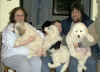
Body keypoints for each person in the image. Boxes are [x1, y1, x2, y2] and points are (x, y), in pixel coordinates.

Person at [1, 7, 43, 72]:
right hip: (11, 55)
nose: (20, 17)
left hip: (29, 54)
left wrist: (40, 48)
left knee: (37, 61)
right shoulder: (9, 28)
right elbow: (11, 44)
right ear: (13, 17)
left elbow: (39, 34)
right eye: (17, 15)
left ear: (24, 16)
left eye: (22, 15)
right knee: (24, 64)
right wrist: (28, 41)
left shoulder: (27, 25)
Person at [61, 2, 99, 72]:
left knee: (91, 62)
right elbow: (62, 37)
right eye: (72, 12)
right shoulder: (66, 23)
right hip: (73, 52)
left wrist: (79, 44)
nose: (74, 14)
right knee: (73, 62)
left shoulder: (89, 23)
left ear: (81, 13)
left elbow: (94, 39)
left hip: (89, 50)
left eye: (77, 12)